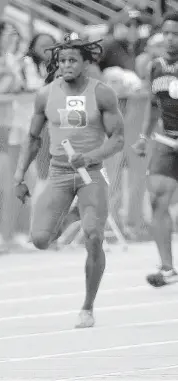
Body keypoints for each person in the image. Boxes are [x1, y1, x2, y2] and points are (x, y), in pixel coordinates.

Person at [13, 34, 125, 329]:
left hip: (92, 174)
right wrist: (19, 176)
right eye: (62, 61)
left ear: (86, 63)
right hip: (60, 173)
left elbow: (118, 139)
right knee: (39, 240)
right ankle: (73, 212)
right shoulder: (45, 94)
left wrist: (90, 157)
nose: (66, 65)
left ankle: (87, 307)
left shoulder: (102, 93)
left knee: (94, 236)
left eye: (72, 60)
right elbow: (33, 138)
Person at [132, 11, 178, 288]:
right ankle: (168, 267)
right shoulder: (156, 66)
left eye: (177, 34)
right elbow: (152, 104)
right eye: (167, 34)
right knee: (157, 201)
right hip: (167, 142)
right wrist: (143, 137)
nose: (171, 39)